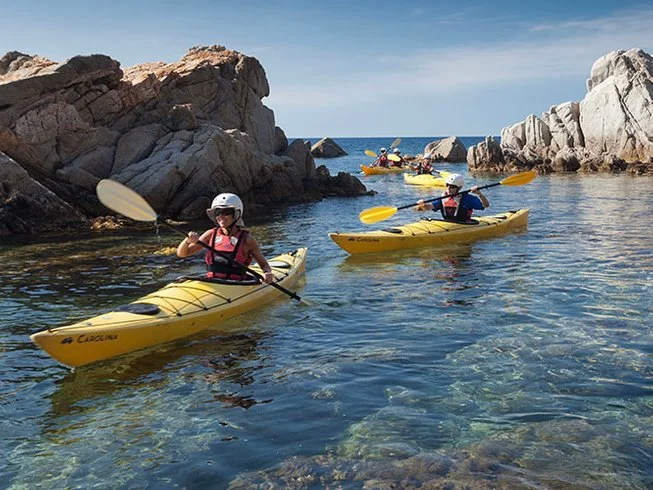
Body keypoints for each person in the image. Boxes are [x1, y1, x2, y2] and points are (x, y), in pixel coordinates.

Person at [176, 193, 274, 283]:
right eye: (218, 213)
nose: (221, 216)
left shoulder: (247, 240)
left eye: (226, 212)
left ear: (236, 215)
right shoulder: (210, 234)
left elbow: (264, 265)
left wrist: (267, 273)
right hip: (212, 281)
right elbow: (182, 254)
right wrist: (187, 241)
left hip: (237, 285)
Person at [415, 173, 489, 222]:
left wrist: (479, 194)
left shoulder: (467, 198)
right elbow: (429, 207)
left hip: (464, 225)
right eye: (447, 185)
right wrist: (422, 205)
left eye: (452, 186)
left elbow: (485, 205)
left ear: (459, 188)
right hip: (448, 225)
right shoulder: (443, 198)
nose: (448, 188)